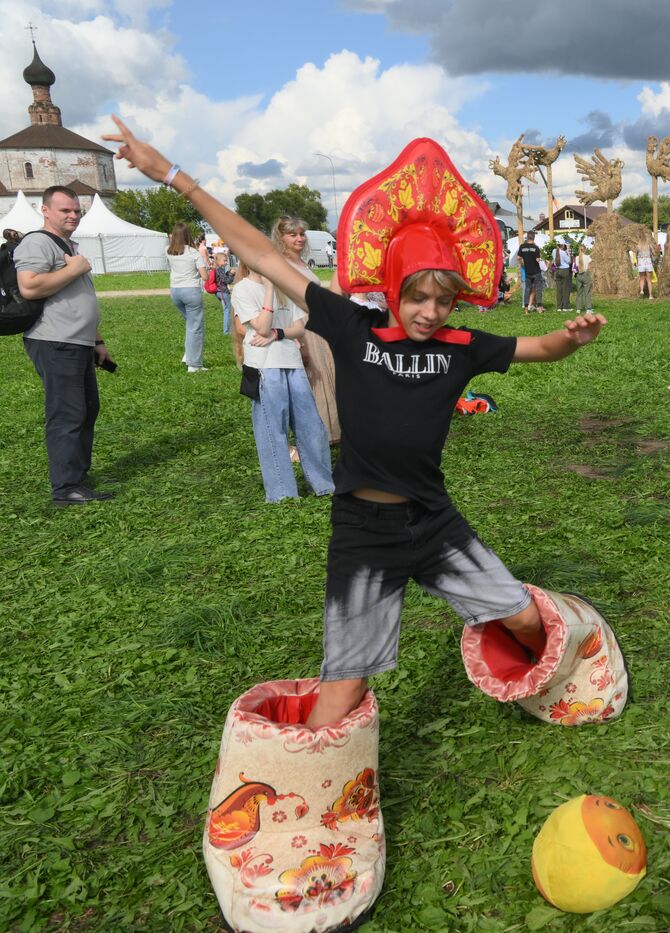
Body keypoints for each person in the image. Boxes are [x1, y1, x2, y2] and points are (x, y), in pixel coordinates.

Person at [104, 117, 611, 727]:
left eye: (442, 300)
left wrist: (571, 337)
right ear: (392, 288)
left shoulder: (460, 345)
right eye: (416, 296)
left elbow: (542, 349)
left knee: (526, 618)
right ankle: (315, 801)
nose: (428, 311)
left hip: (433, 519)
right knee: (342, 688)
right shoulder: (351, 326)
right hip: (364, 530)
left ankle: (556, 692)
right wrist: (174, 178)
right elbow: (260, 252)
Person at [15, 186, 116, 505]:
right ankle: (65, 488)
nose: (73, 215)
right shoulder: (37, 242)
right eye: (65, 210)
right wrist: (74, 268)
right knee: (67, 413)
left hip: (77, 341)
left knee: (87, 409)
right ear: (44, 210)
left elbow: (79, 297)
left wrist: (97, 340)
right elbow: (29, 286)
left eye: (76, 210)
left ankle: (77, 476)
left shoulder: (67, 245)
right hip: (54, 340)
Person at [232, 263, 335, 503]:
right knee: (272, 430)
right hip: (264, 366)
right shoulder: (242, 289)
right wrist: (269, 289)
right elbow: (261, 326)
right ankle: (282, 493)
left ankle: (323, 484)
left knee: (312, 427)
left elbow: (299, 327)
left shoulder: (285, 290)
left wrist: (278, 334)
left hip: (292, 362)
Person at [269, 215, 340, 445]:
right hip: (301, 328)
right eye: (293, 234)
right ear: (281, 237)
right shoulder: (283, 264)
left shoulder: (300, 261)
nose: (299, 238)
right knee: (311, 383)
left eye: (301, 234)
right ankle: (313, 436)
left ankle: (331, 431)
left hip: (318, 326)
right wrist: (299, 342)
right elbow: (283, 304)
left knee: (326, 378)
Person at [166, 221, 209, 372]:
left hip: (175, 292)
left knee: (191, 325)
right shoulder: (193, 253)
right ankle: (194, 364)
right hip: (191, 291)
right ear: (187, 235)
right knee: (195, 327)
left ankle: (188, 355)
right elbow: (204, 277)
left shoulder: (168, 251)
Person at [515, 231, 544, 313]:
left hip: (528, 272)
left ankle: (526, 309)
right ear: (534, 237)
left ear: (527, 237)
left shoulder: (522, 246)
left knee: (527, 290)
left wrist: (523, 264)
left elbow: (518, 257)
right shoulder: (536, 248)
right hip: (536, 272)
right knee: (538, 289)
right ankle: (539, 308)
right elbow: (538, 259)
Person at [213, 250, 234, 335]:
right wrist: (231, 274)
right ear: (218, 261)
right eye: (224, 260)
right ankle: (226, 331)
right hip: (223, 292)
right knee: (227, 311)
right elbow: (226, 280)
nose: (226, 262)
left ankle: (228, 329)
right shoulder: (220, 269)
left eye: (226, 260)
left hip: (218, 292)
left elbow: (223, 278)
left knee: (227, 309)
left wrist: (228, 272)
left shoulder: (218, 269)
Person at [552, 238, 573, 312]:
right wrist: (568, 252)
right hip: (564, 270)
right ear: (563, 245)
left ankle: (559, 306)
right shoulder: (563, 253)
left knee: (559, 289)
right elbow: (569, 261)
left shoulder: (554, 251)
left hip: (557, 271)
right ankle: (566, 306)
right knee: (566, 289)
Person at [575, 243, 593, 312]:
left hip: (579, 275)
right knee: (587, 292)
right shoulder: (588, 257)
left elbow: (576, 266)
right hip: (585, 274)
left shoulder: (577, 258)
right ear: (584, 250)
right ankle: (588, 308)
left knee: (579, 292)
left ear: (579, 250)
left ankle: (578, 309)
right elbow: (589, 266)